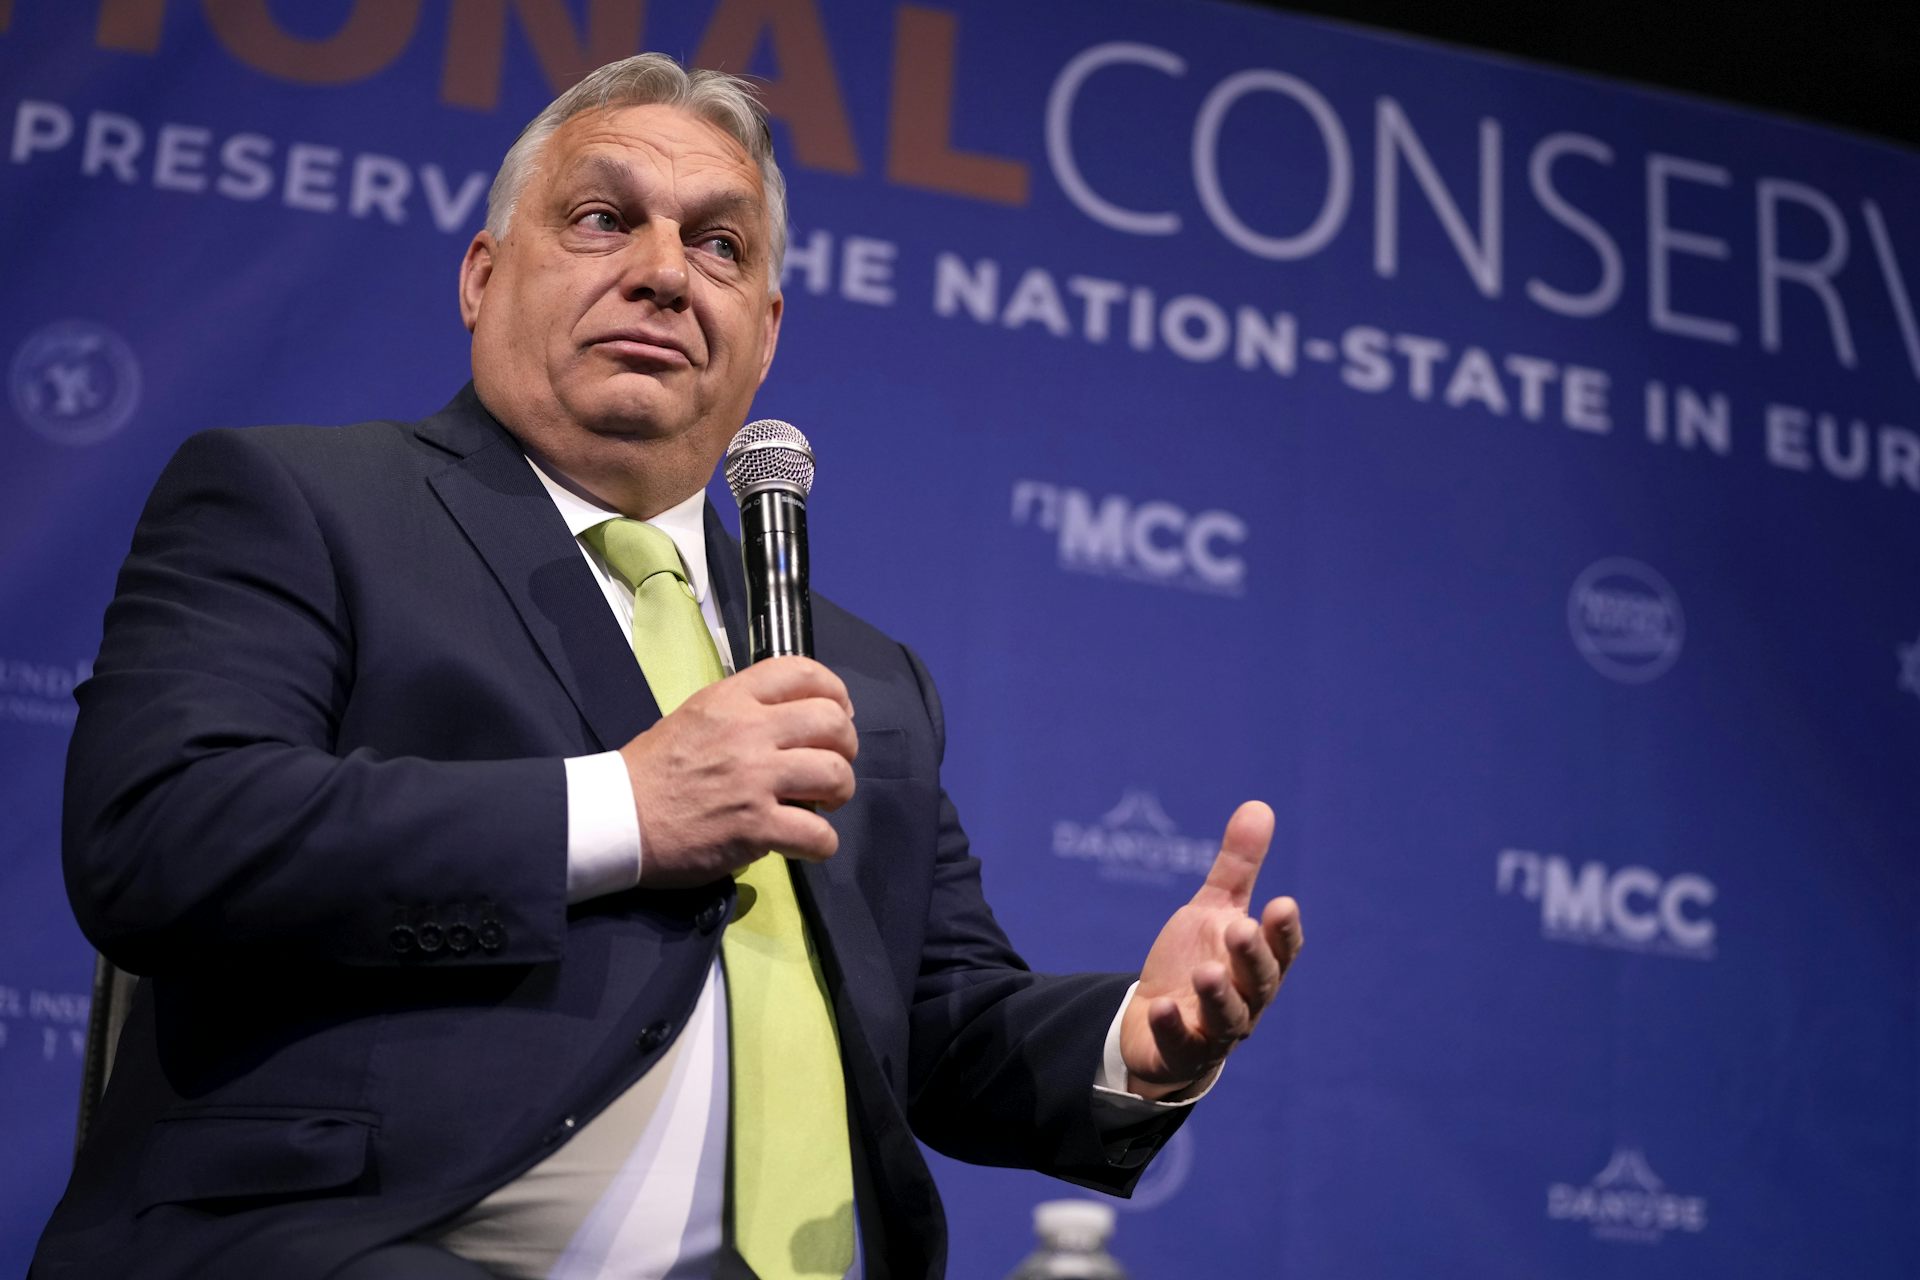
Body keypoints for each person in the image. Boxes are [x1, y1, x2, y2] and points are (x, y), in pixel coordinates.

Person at [33, 53, 1302, 1280]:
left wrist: (1138, 1038)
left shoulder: (865, 676)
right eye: (603, 219)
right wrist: (628, 809)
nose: (664, 273)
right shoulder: (306, 504)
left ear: (765, 333)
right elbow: (162, 831)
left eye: (720, 245)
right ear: (482, 276)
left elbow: (945, 1020)